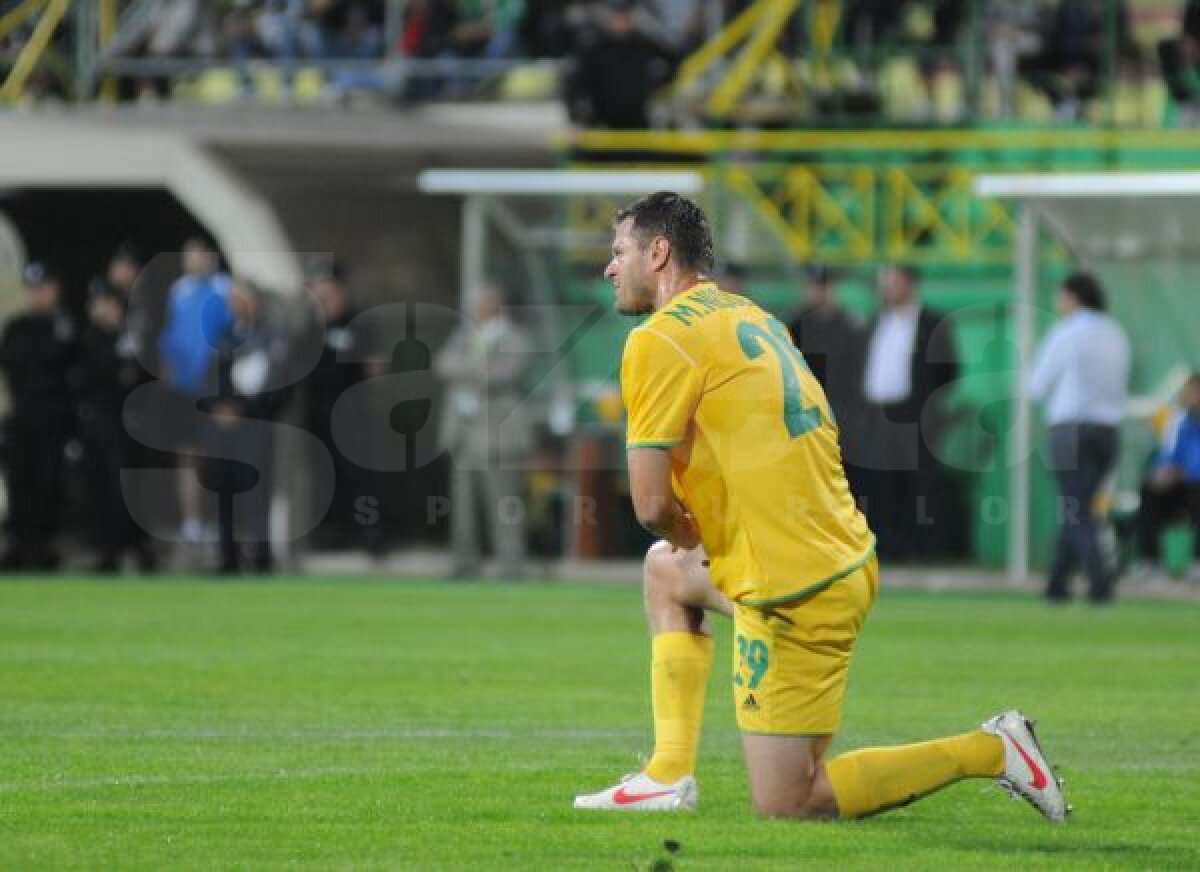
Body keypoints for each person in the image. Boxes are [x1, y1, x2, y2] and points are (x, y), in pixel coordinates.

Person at [573, 191, 1068, 823]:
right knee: (666, 570)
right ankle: (666, 774)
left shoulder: (659, 340)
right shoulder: (748, 316)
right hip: (835, 557)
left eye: (619, 252)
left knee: (791, 801)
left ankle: (991, 749)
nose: (610, 268)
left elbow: (648, 505)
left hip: (791, 589)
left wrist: (690, 524)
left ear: (659, 252)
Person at [1029, 271, 1131, 605]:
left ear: (1073, 297)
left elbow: (1037, 384)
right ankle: (1056, 585)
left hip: (1071, 430)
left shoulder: (1067, 331)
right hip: (1109, 431)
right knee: (1079, 506)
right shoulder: (1117, 333)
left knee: (1077, 509)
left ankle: (1100, 585)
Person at [433, 281, 534, 579]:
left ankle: (511, 564)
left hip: (499, 437)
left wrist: (466, 370)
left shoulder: (516, 337)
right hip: (464, 435)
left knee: (505, 505)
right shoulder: (463, 335)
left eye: (480, 304)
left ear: (494, 305)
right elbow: (442, 364)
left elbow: (503, 374)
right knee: (463, 507)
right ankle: (464, 563)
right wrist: (474, 369)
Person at [859, 264, 960, 562]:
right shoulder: (877, 321)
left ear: (910, 284)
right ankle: (887, 547)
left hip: (916, 414)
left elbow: (948, 370)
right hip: (879, 414)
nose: (887, 289)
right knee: (882, 483)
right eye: (885, 283)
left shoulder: (931, 322)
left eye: (893, 282)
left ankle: (925, 550)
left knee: (921, 483)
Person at [199, 280, 291, 574]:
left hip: (256, 425)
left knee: (255, 492)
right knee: (223, 491)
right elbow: (210, 380)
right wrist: (218, 407)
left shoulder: (271, 337)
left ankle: (260, 554)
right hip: (222, 430)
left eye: (240, 298)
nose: (234, 304)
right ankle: (228, 554)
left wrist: (244, 409)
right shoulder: (224, 337)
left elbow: (278, 385)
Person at [157, 237, 234, 554]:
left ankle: (220, 518)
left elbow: (229, 334)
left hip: (214, 386)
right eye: (188, 255)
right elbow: (171, 337)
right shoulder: (179, 291)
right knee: (187, 454)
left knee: (217, 453)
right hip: (183, 388)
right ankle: (192, 521)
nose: (193, 260)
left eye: (198, 255)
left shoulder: (225, 288)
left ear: (211, 257)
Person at [0, 264, 77, 570]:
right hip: (22, 415)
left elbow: (62, 362)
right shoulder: (17, 326)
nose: (37, 295)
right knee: (20, 481)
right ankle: (18, 543)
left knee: (48, 482)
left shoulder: (63, 324)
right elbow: (11, 362)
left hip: (53, 416)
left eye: (42, 288)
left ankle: (44, 546)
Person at [76, 282, 158, 573]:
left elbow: (147, 377)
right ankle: (106, 549)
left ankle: (136, 547)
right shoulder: (87, 340)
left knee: (127, 487)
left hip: (129, 424)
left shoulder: (131, 339)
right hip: (98, 421)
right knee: (99, 487)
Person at [786, 265, 865, 497]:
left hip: (843, 416)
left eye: (822, 286)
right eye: (813, 286)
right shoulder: (795, 325)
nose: (817, 291)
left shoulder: (849, 327)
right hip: (805, 417)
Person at [1136, 373, 1200, 575]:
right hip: (1183, 484)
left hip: (1194, 482)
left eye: (1193, 391)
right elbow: (1171, 454)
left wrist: (1183, 471)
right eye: (1187, 391)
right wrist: (1164, 470)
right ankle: (1150, 561)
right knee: (1150, 489)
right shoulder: (1182, 422)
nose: (1187, 396)